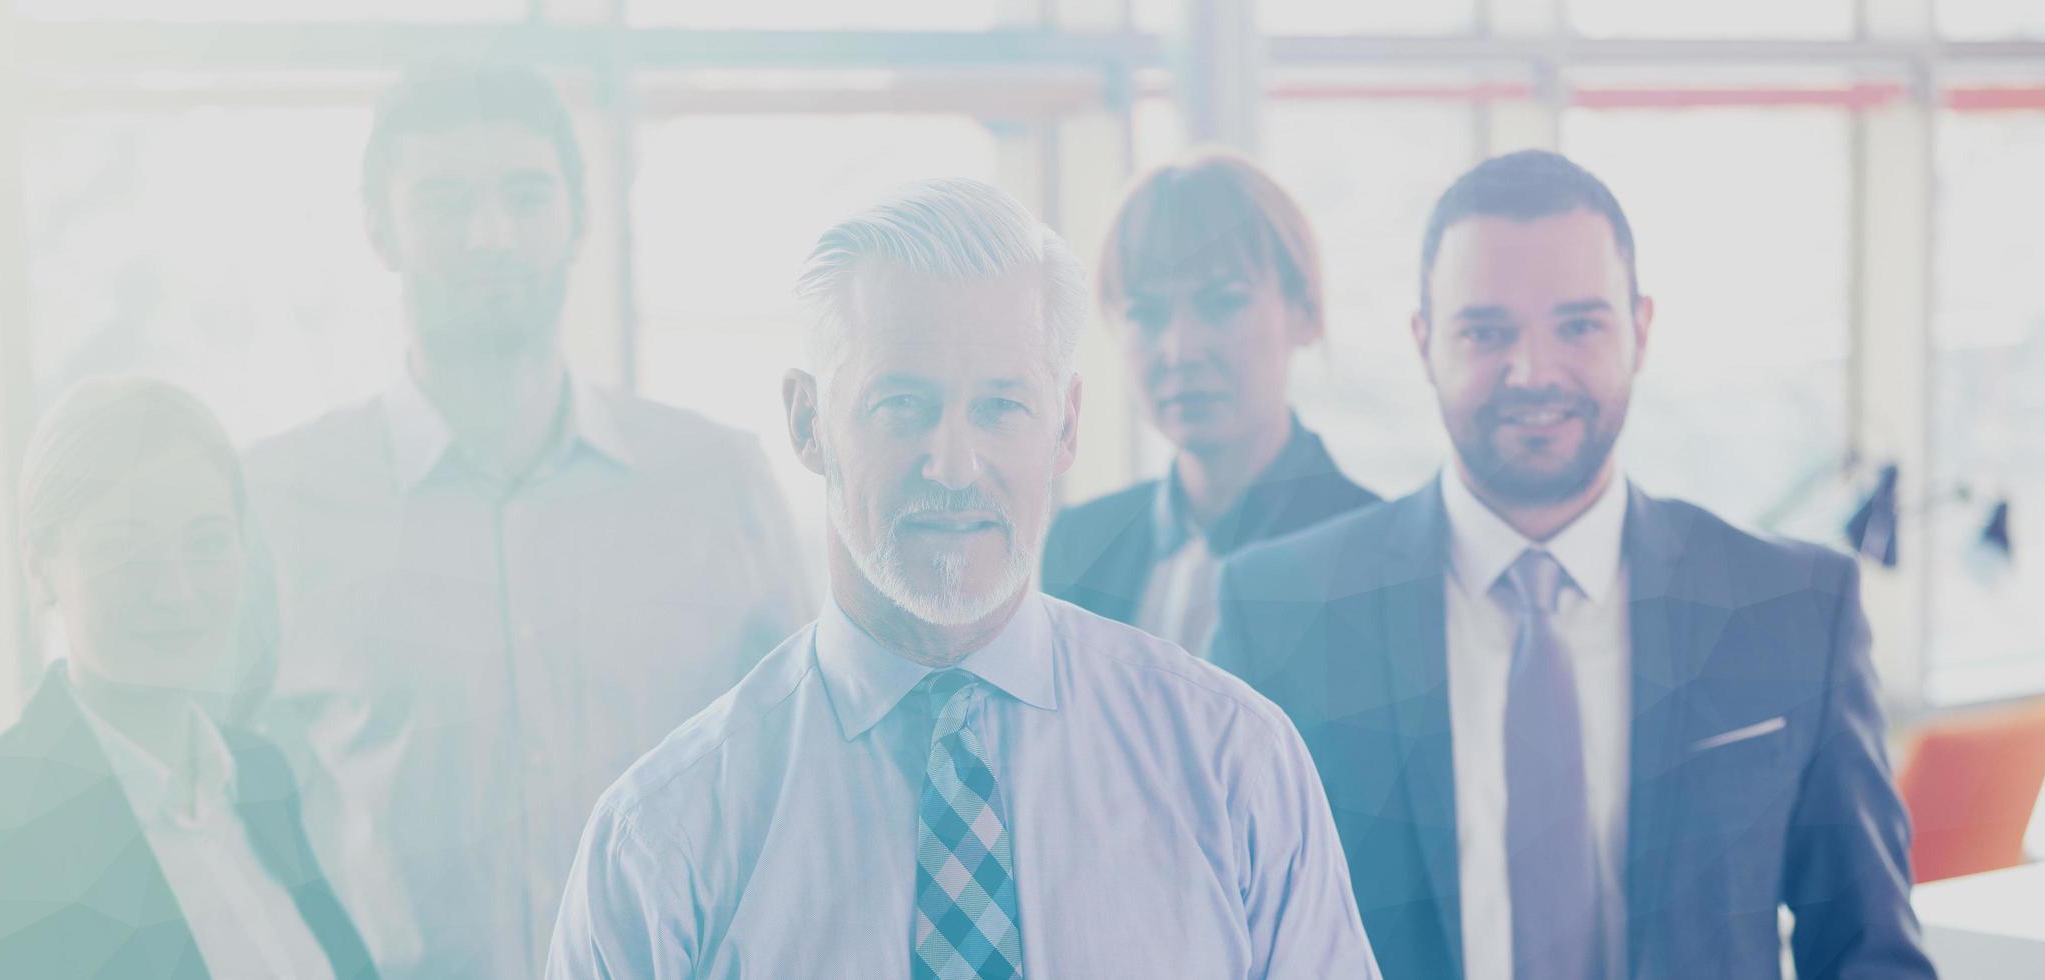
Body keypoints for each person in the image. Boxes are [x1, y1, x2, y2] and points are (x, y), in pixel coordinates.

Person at [544, 178, 1379, 979]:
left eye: (999, 407)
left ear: (1066, 426)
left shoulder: (1236, 766)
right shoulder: (663, 840)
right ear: (808, 423)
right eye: (900, 405)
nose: (952, 466)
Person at [1210, 150, 1934, 980]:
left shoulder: (1792, 609)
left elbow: (1869, 954)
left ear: (1642, 330)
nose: (1534, 372)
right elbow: (1218, 940)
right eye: (1487, 332)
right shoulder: (1283, 613)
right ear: (1423, 341)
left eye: (1579, 326)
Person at [242, 65, 811, 979]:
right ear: (380, 228)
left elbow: (806, 786)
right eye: (444, 200)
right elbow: (232, 828)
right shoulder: (276, 505)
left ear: (578, 221)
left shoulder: (718, 483)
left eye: (526, 195)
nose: (491, 236)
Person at [0, 378, 376, 980]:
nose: (176, 590)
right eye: (126, 550)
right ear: (41, 568)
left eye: (206, 543)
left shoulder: (261, 778)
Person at [1041, 150, 1377, 655]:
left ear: (1304, 312)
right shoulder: (1079, 544)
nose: (1181, 350)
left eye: (1223, 302)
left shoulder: (1377, 558)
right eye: (1146, 313)